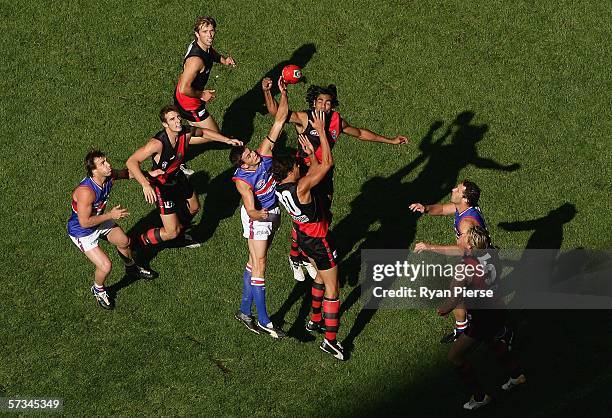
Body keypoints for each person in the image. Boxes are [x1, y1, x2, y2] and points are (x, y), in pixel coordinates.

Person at [263, 79, 409, 281]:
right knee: (305, 218)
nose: (324, 105)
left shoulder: (336, 121)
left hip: (325, 175)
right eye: (320, 101)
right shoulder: (305, 119)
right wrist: (268, 92)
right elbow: (276, 113)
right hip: (305, 176)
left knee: (322, 216)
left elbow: (360, 133)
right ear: (314, 102)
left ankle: (304, 255)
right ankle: (296, 257)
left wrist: (390, 140)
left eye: (328, 102)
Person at [271, 110, 345, 360]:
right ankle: (330, 341)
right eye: (295, 166)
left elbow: (314, 168)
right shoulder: (301, 187)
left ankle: (314, 320)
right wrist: (322, 134)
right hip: (320, 240)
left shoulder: (281, 188)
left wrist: (311, 155)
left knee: (321, 280)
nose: (297, 166)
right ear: (290, 173)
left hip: (303, 238)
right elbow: (328, 165)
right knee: (333, 289)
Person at [127, 105, 242, 252]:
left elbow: (204, 132)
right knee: (171, 232)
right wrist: (145, 184)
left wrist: (225, 140)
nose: (178, 121)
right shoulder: (157, 144)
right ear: (165, 124)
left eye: (178, 117)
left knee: (194, 207)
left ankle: (179, 234)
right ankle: (138, 243)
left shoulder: (185, 133)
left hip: (178, 178)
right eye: (172, 119)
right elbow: (131, 161)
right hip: (163, 186)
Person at [435, 225, 525, 411]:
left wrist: (443, 309)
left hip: (483, 317)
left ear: (468, 245)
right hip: (498, 308)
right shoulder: (490, 252)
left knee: (455, 356)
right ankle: (516, 375)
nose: (459, 236)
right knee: (491, 340)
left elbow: (453, 298)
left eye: (463, 235)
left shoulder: (465, 266)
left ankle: (479, 396)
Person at [230, 78, 289, 339]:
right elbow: (251, 210)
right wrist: (261, 216)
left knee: (253, 262)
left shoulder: (264, 154)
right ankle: (265, 320)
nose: (254, 152)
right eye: (249, 155)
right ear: (243, 164)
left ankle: (245, 311)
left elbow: (279, 121)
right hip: (258, 218)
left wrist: (280, 92)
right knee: (261, 263)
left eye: (251, 151)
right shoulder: (243, 181)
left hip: (272, 212)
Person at [68, 151, 158, 310]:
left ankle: (131, 268)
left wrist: (147, 175)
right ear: (94, 171)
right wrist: (111, 215)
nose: (108, 164)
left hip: (98, 220)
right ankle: (98, 289)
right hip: (82, 232)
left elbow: (126, 173)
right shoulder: (86, 192)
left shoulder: (108, 176)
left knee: (124, 241)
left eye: (106, 161)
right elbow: (85, 222)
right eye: (102, 163)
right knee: (105, 266)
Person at [410, 180, 492, 343]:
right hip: (472, 258)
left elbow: (462, 249)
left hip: (478, 263)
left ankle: (499, 333)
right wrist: (424, 208)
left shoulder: (467, 224)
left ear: (465, 199)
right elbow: (441, 209)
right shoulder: (461, 207)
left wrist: (429, 247)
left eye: (458, 190)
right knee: (457, 290)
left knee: (474, 301)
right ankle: (463, 327)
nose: (453, 189)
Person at [174, 16, 236, 176]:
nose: (209, 35)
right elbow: (184, 88)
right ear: (197, 34)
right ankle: (175, 141)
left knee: (212, 134)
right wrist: (202, 94)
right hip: (189, 102)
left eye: (211, 31)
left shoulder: (202, 46)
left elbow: (210, 52)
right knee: (213, 135)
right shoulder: (196, 61)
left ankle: (176, 136)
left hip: (188, 99)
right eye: (205, 32)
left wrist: (223, 60)